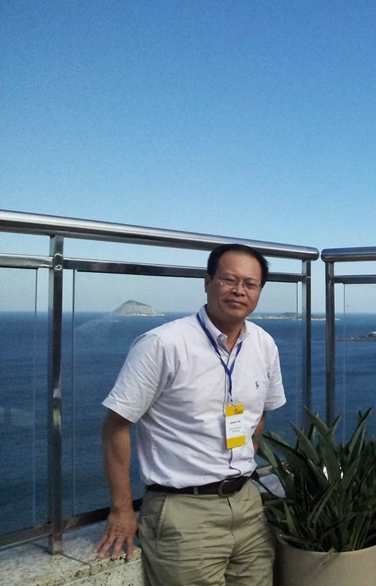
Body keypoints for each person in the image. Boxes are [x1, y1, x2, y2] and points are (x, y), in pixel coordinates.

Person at [94, 243, 285, 586]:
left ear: (259, 291)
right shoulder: (163, 344)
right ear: (208, 282)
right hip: (183, 514)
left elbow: (261, 413)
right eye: (229, 279)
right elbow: (115, 428)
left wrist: (245, 452)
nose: (239, 290)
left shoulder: (264, 344)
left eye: (250, 283)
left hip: (247, 503)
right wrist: (122, 510)